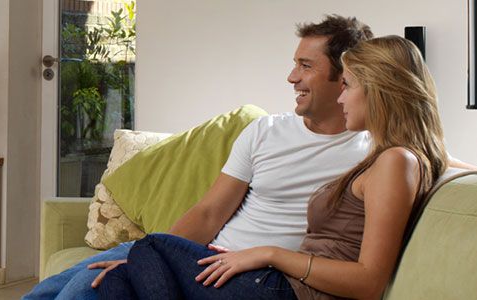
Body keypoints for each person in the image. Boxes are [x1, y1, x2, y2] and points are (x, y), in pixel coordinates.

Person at [24, 15, 474, 299]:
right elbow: (208, 211)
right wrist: (142, 254)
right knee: (57, 287)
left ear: (345, 80)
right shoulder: (265, 130)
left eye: (306, 66)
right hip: (209, 255)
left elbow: (431, 157)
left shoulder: (376, 151)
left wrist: (268, 254)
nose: (291, 76)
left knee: (101, 283)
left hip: (259, 276)